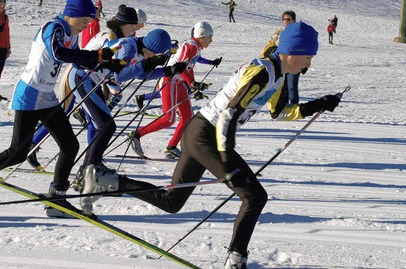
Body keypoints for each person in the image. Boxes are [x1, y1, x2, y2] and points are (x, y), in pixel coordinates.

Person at [81, 21, 341, 268]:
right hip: (207, 134)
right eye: (308, 55)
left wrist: (319, 105)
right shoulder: (262, 72)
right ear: (292, 51)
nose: (309, 61)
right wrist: (226, 159)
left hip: (202, 133)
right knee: (254, 196)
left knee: (172, 201)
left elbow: (279, 112)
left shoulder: (278, 76)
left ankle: (109, 180)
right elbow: (230, 112)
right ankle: (236, 259)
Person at [0, 0, 122, 219]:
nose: (86, 26)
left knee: (70, 145)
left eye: (90, 22)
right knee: (17, 152)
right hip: (29, 94)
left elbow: (77, 61)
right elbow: (58, 53)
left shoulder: (72, 33)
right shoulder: (54, 27)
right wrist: (95, 56)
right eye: (85, 21)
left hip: (46, 96)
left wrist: (106, 65)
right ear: (72, 14)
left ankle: (56, 199)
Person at [73, 29, 178, 211]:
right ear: (152, 48)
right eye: (157, 54)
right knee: (106, 126)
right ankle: (91, 171)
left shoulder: (137, 49)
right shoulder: (129, 48)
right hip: (83, 78)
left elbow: (139, 75)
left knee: (106, 126)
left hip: (93, 81)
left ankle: (87, 171)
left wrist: (167, 70)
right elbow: (118, 76)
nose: (156, 56)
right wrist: (149, 64)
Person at [25, 4, 139, 169]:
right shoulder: (111, 36)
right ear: (124, 24)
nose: (134, 30)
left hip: (89, 78)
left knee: (94, 121)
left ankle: (92, 158)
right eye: (133, 26)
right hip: (76, 73)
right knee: (63, 112)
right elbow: (104, 61)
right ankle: (32, 144)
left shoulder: (117, 37)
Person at [128, 21, 221, 159]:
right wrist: (191, 82)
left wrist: (192, 83)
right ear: (202, 36)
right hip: (169, 81)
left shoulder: (196, 47)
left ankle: (172, 147)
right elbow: (181, 66)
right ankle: (136, 135)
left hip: (178, 83)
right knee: (169, 118)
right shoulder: (191, 46)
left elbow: (188, 68)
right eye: (209, 37)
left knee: (187, 116)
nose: (211, 40)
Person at [261, 11, 300, 105]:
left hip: (294, 63)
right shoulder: (278, 32)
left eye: (288, 19)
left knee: (291, 85)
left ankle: (294, 106)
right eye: (284, 19)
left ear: (294, 20)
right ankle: (284, 106)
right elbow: (270, 44)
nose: (286, 21)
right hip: (280, 63)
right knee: (282, 86)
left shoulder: (298, 32)